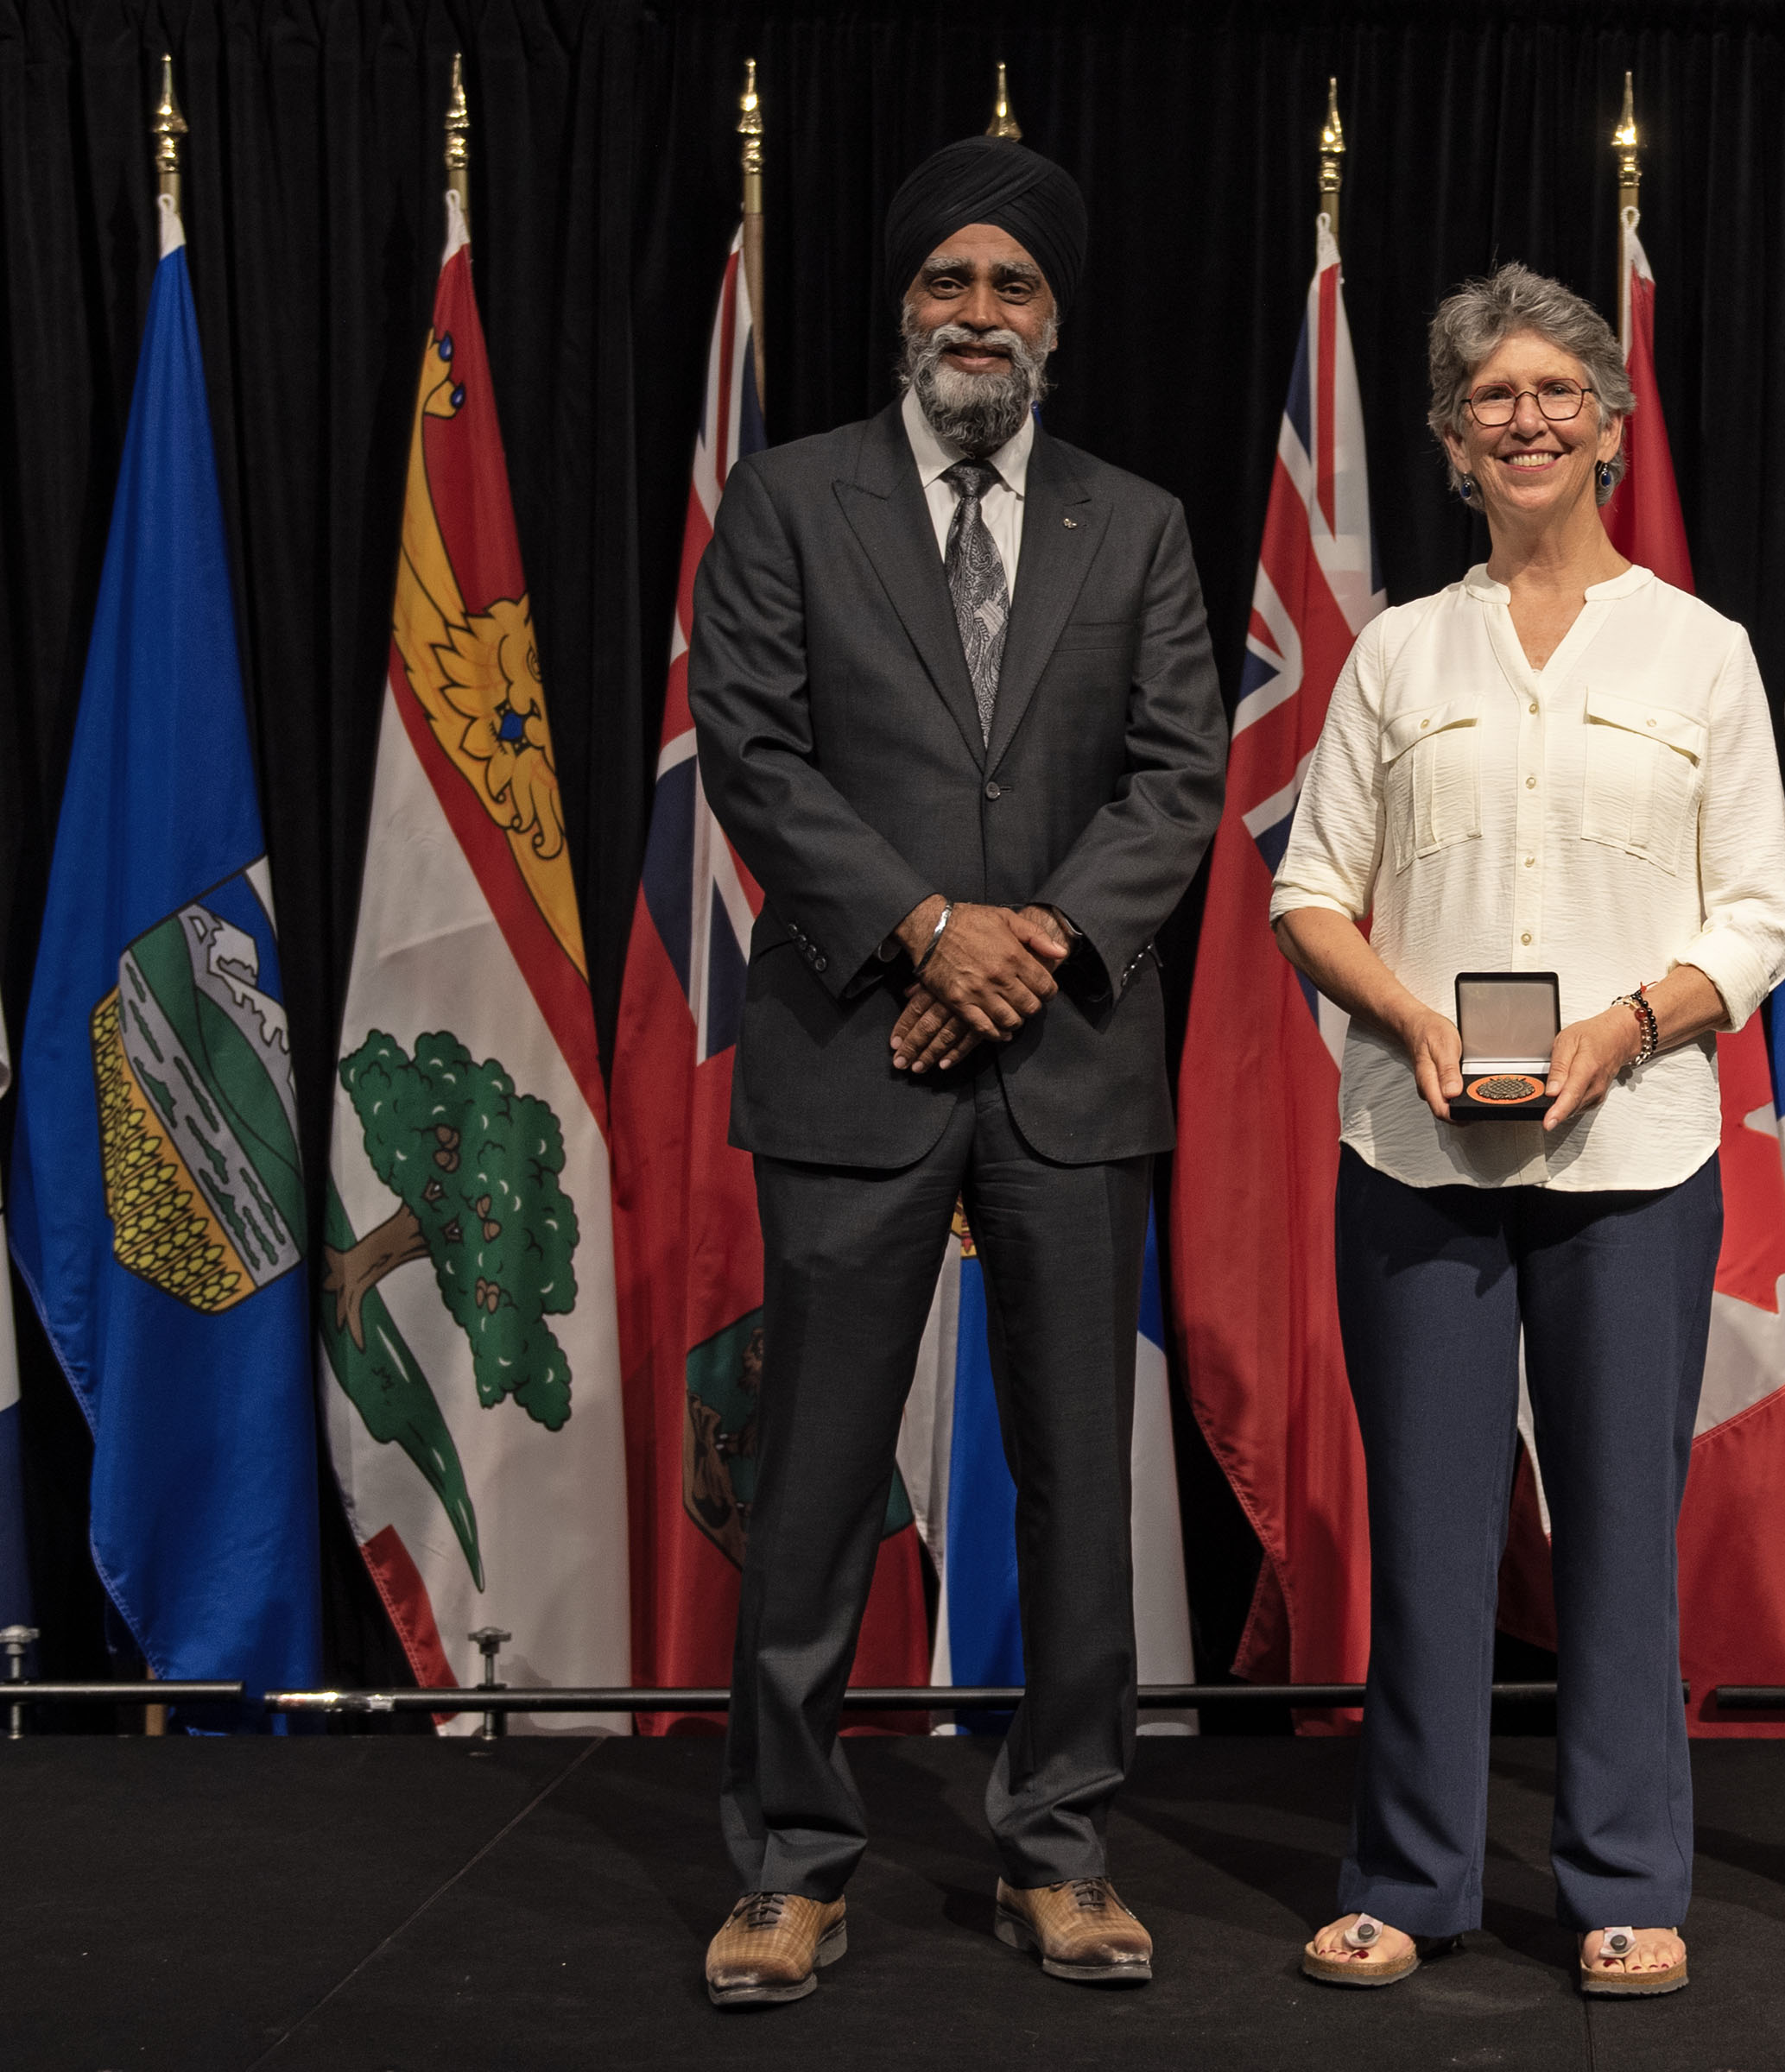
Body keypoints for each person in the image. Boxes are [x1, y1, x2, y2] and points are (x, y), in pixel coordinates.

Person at [684, 133, 1225, 2007]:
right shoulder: (789, 500)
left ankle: (1060, 1850)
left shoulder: (1134, 522)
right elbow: (752, 752)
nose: (977, 313)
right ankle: (789, 1863)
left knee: (1076, 1475)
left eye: (1012, 285)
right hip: (855, 1052)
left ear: (1054, 320)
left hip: (1068, 1061)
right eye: (948, 281)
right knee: (814, 1475)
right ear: (904, 305)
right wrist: (929, 933)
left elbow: (1178, 776)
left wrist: (1027, 948)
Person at [1267, 263, 1785, 1999]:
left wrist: (1623, 1027)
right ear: (1447, 439)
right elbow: (1309, 894)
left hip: (1636, 1158)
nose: (1528, 419)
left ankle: (1624, 1880)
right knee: (1427, 1534)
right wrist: (1411, 1020)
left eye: (1560, 389)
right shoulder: (1397, 654)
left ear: (1612, 424)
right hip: (1415, 1155)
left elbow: (1759, 919)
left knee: (1619, 1533)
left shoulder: (1703, 651)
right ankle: (1407, 1876)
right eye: (1492, 396)